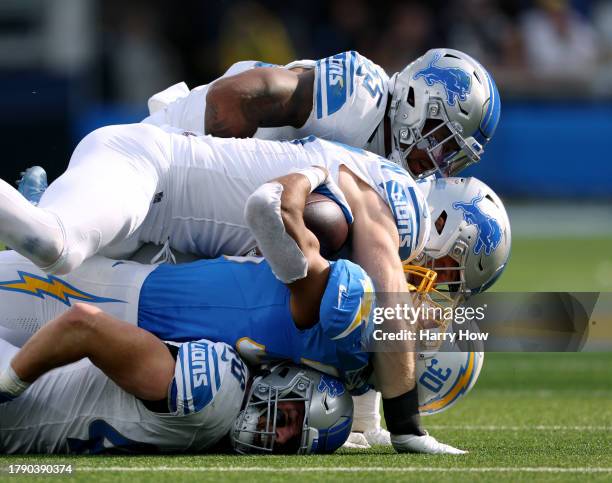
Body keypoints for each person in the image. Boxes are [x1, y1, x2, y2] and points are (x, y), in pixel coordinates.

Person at [0, 305, 353, 454]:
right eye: (290, 419)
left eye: (291, 445)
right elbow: (83, 324)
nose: (278, 436)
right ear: (287, 379)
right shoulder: (211, 393)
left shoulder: (229, 398)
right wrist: (7, 386)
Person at [144, 48, 501, 178]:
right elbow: (232, 98)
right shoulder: (360, 98)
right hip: (172, 147)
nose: (439, 162)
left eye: (453, 157)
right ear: (417, 102)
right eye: (442, 140)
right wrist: (218, 192)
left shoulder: (390, 162)